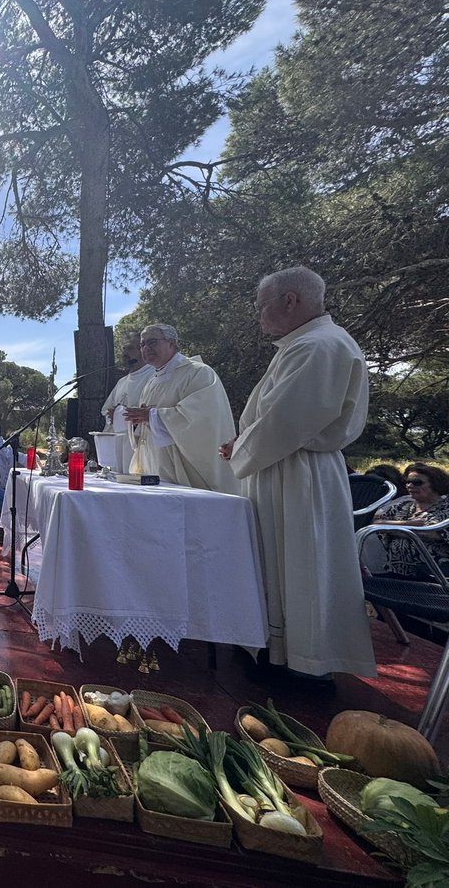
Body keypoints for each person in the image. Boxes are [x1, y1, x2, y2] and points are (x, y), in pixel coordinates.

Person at [222, 265, 374, 677]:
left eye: (262, 305)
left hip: (297, 474)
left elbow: (285, 421)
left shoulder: (319, 347)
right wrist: (243, 446)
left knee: (298, 563)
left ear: (291, 300)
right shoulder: (304, 344)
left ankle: (301, 662)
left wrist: (241, 448)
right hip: (280, 465)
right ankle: (273, 647)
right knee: (276, 560)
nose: (259, 315)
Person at [123, 324, 238, 494]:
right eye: (142, 345)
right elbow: (145, 428)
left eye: (152, 342)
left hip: (187, 473)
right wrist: (137, 422)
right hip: (155, 468)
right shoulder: (151, 382)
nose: (146, 348)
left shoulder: (198, 373)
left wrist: (153, 416)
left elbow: (201, 419)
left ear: (172, 343)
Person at [372, 463, 449, 577]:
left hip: (435, 573)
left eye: (417, 482)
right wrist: (410, 524)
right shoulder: (403, 505)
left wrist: (391, 529)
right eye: (407, 482)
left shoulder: (445, 507)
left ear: (435, 484)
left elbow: (432, 533)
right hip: (395, 571)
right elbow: (375, 523)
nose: (410, 486)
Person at [101, 335, 153, 473]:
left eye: (130, 348)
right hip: (119, 444)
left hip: (141, 444)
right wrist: (112, 415)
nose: (125, 353)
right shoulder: (122, 382)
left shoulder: (154, 375)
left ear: (142, 349)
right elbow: (107, 410)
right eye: (123, 349)